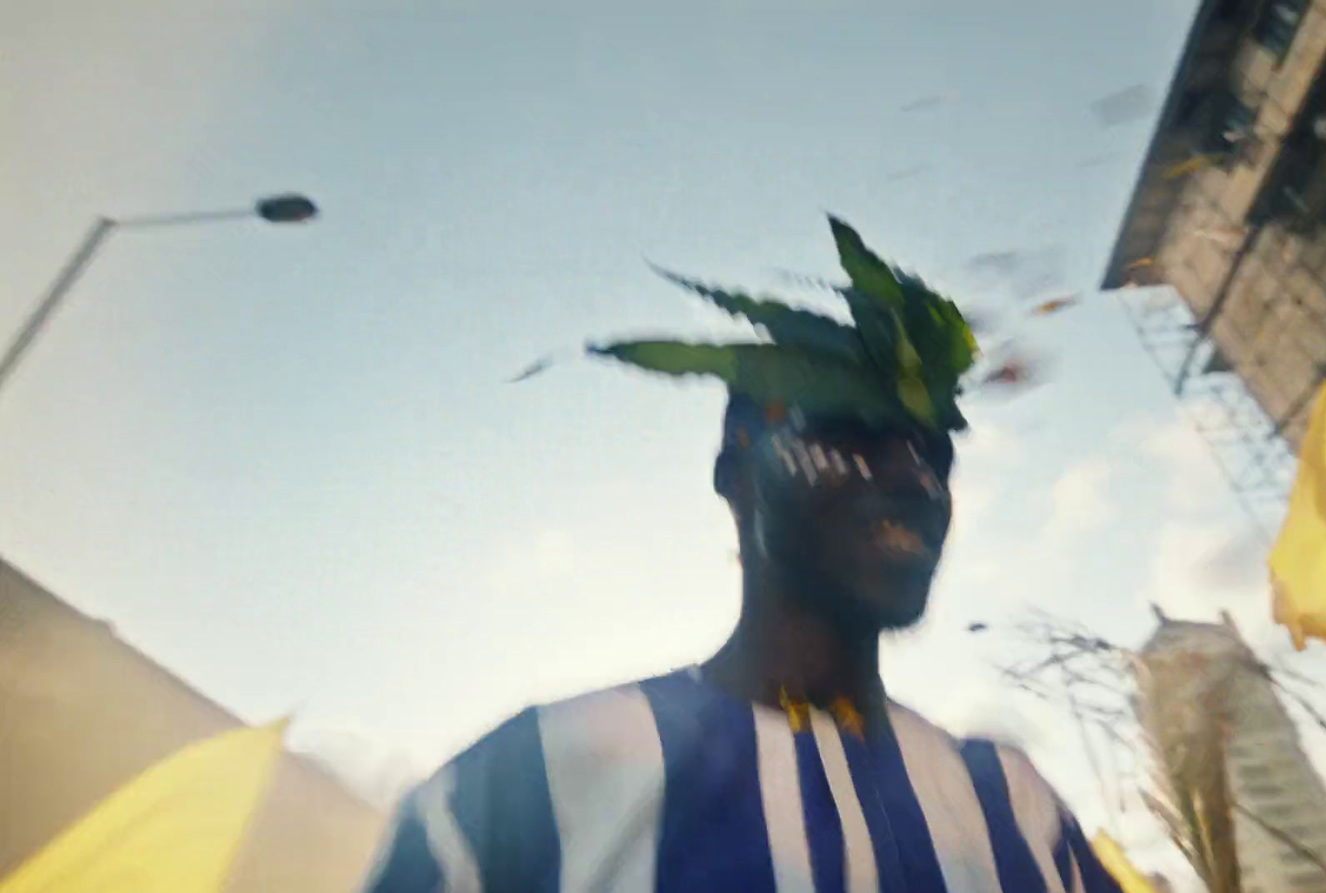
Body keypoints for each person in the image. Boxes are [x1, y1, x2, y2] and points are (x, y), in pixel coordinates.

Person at [360, 218, 1124, 893]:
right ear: (737, 475)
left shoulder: (1017, 809)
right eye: (850, 432)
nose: (913, 479)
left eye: (933, 452)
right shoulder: (532, 780)